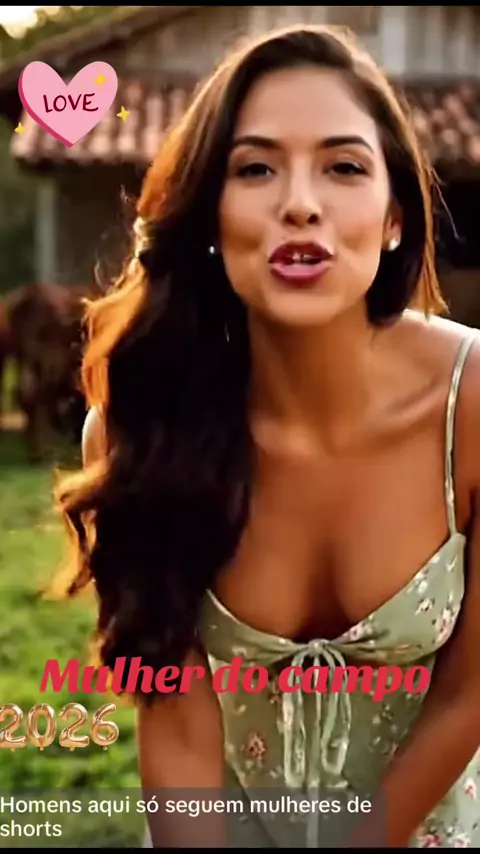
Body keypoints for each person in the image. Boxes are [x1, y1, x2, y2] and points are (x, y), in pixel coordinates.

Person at [56, 23, 480, 848]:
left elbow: (471, 694)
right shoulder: (140, 432)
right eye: (255, 168)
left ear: (395, 217)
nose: (300, 204)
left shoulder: (471, 405)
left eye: (344, 167)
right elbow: (177, 730)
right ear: (210, 216)